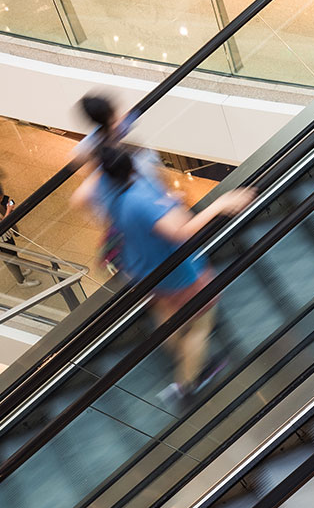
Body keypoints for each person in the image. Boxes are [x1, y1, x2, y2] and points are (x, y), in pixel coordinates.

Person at [76, 147, 253, 402]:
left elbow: (82, 199)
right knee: (200, 325)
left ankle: (177, 354)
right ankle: (187, 384)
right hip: (177, 273)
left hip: (142, 269)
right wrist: (220, 205)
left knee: (166, 314)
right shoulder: (139, 198)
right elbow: (180, 233)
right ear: (131, 168)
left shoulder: (104, 189)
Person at [0, 188, 38, 288]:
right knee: (10, 258)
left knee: (13, 254)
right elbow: (2, 224)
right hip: (2, 239)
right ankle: (21, 281)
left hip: (6, 236)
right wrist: (8, 210)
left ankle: (19, 273)